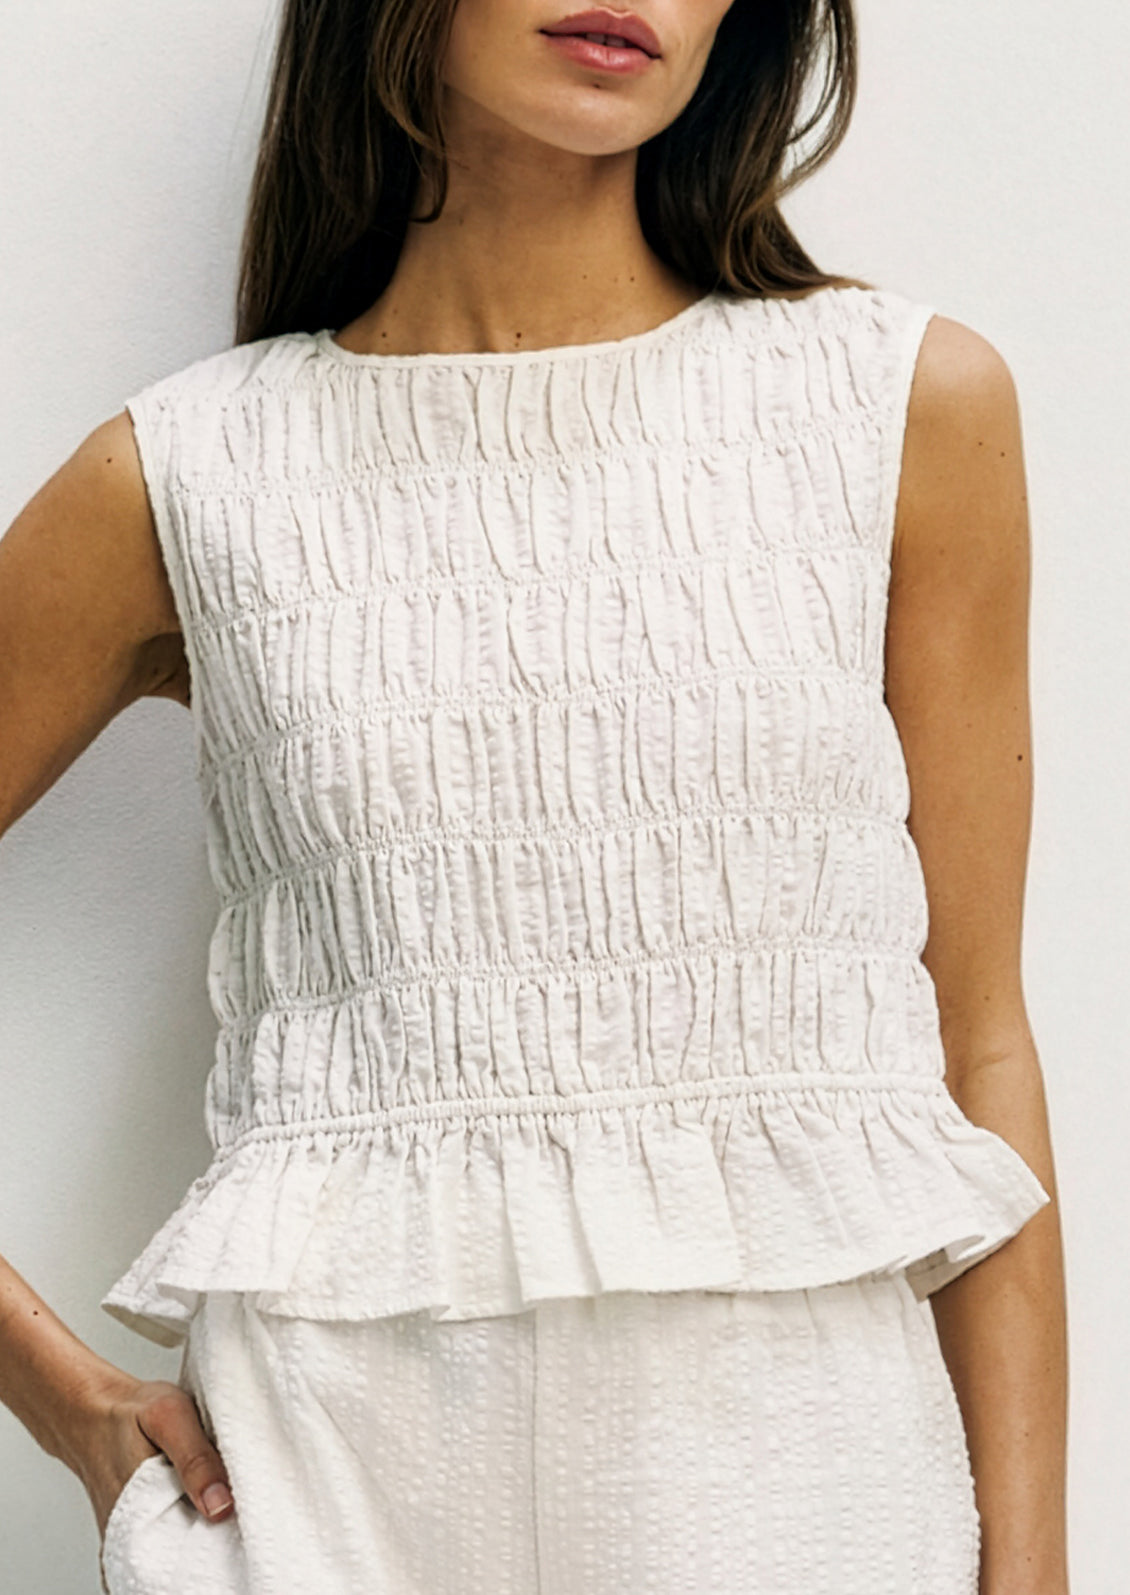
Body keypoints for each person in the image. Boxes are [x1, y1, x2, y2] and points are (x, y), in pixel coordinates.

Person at [0, 0, 1070, 1590]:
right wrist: (60, 1397)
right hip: (320, 1505)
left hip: (813, 1498)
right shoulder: (188, 475)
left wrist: (1031, 1570)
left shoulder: (897, 404)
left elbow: (974, 1031)